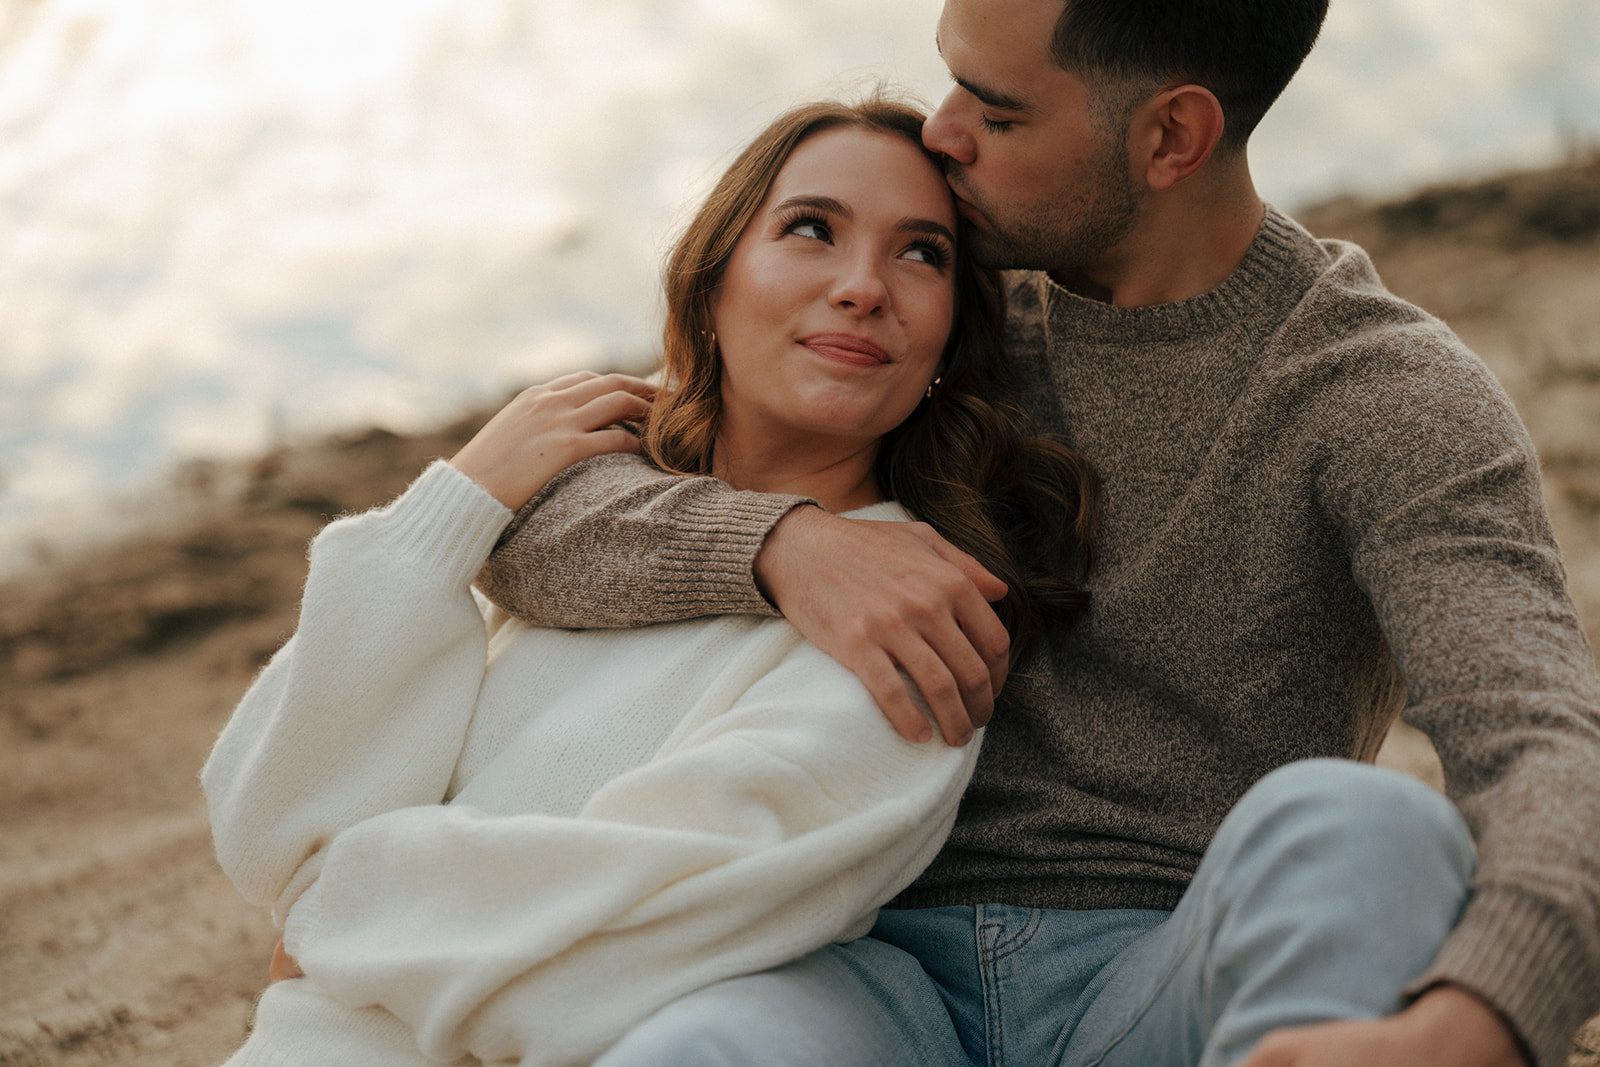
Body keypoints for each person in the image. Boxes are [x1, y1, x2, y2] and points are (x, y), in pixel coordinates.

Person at [475, 2, 1600, 1066]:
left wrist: (1487, 1015)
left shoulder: (1383, 396)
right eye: (949, 74)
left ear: (1171, 136)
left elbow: (1546, 744)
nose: (939, 131)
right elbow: (530, 520)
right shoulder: (930, 309)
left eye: (996, 109)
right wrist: (782, 544)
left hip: (1170, 971)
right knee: (706, 1047)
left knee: (1364, 824)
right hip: (853, 969)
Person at [202, 96, 1099, 1067]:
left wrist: (337, 911)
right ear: (711, 283)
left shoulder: (910, 606)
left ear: (948, 330)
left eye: (920, 252)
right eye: (811, 228)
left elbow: (643, 912)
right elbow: (269, 821)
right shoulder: (577, 536)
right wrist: (451, 508)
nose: (861, 286)